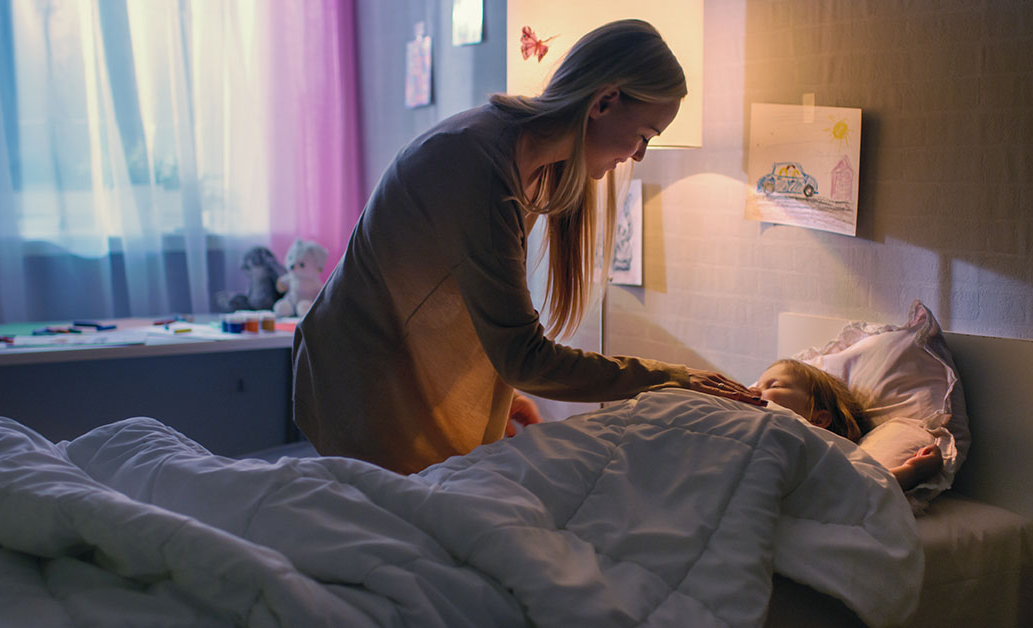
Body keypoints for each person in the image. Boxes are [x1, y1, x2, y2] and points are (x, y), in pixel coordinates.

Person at [292, 19, 762, 474]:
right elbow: (523, 354)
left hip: (386, 372)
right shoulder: (480, 164)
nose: (638, 155)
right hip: (363, 381)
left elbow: (478, 305)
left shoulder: (530, 162)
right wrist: (669, 378)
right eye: (644, 135)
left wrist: (496, 391)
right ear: (605, 101)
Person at [751, 359, 943, 491]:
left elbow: (852, 486)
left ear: (818, 419)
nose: (753, 390)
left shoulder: (816, 448)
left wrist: (912, 471)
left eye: (773, 386)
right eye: (757, 384)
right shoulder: (743, 420)